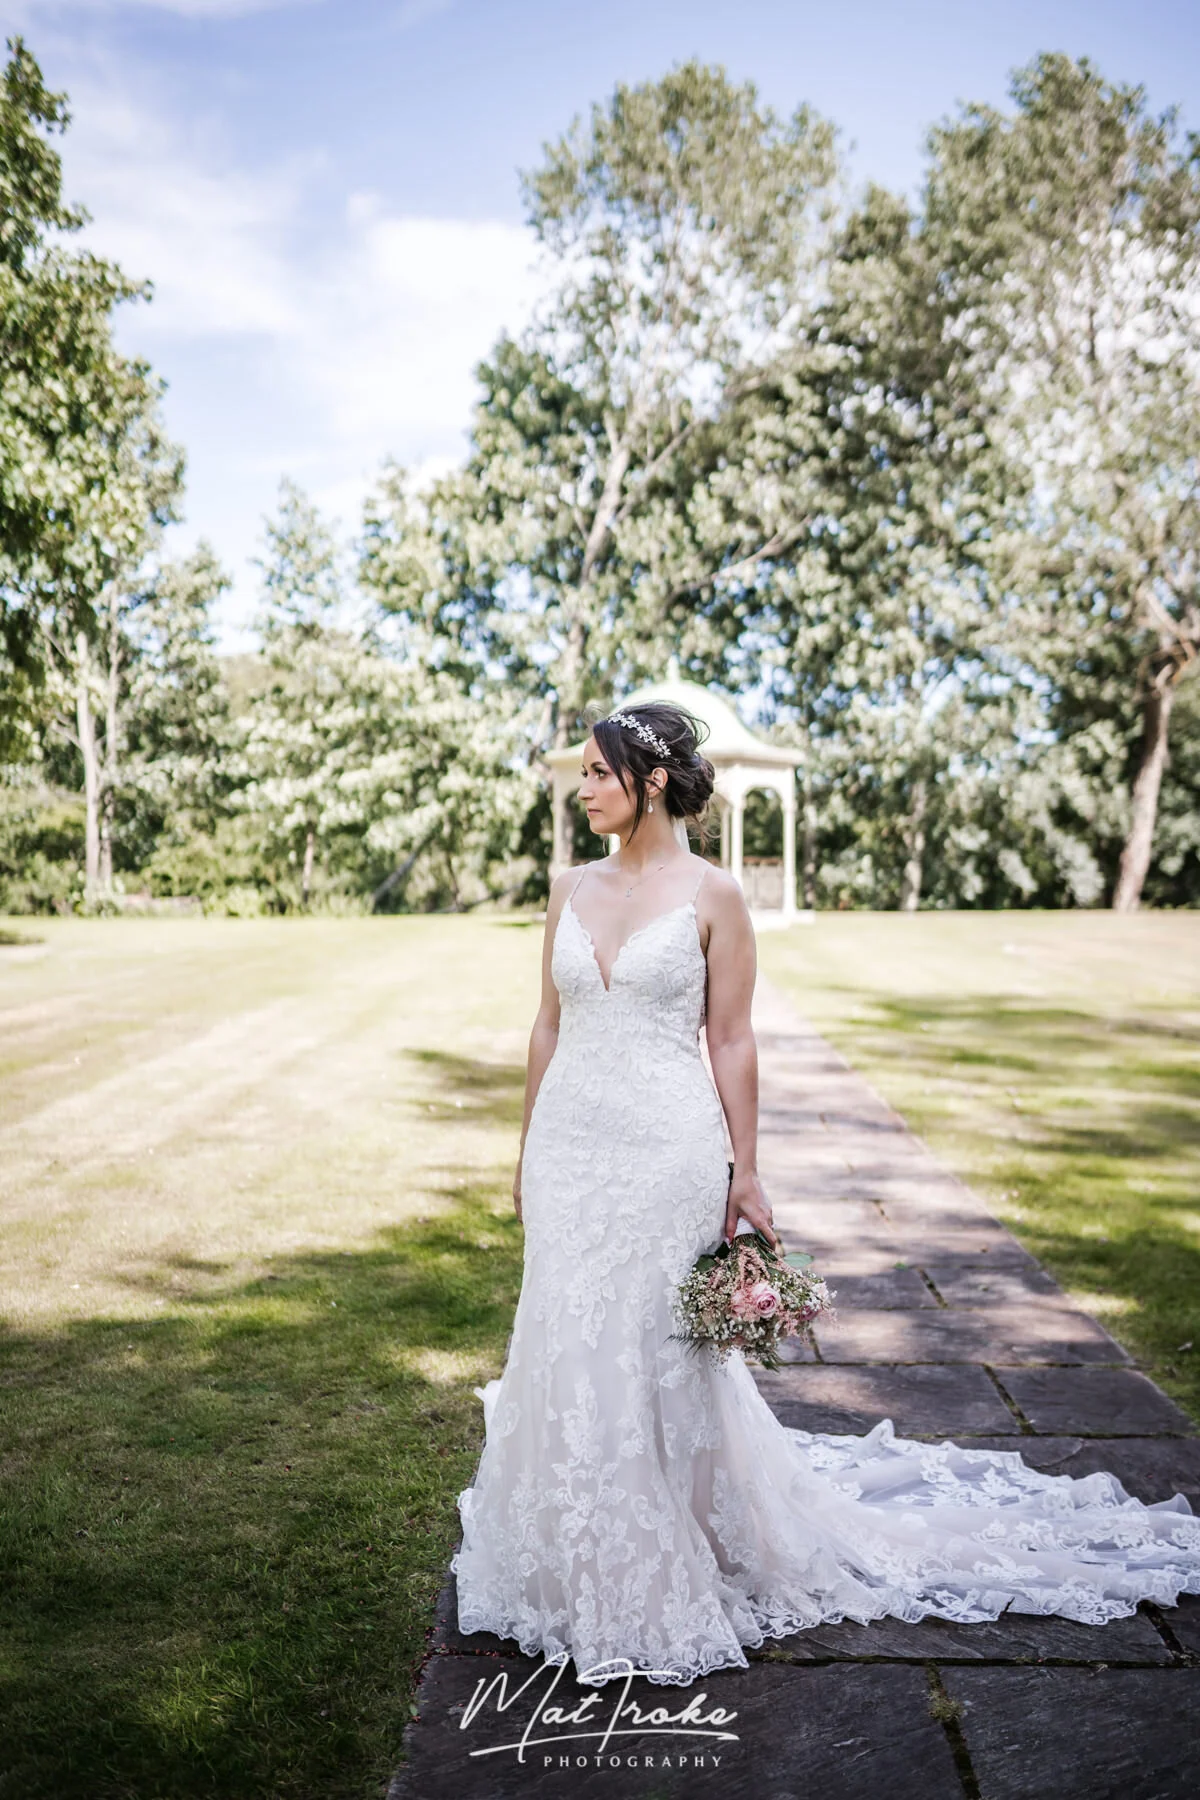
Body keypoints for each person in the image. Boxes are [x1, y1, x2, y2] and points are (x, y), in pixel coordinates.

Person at [449, 700, 1200, 1687]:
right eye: (582, 772)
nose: (582, 788)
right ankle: (567, 1558)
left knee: (655, 1346)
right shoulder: (567, 888)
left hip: (670, 1151)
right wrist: (525, 1149)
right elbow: (547, 1025)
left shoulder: (714, 896)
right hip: (570, 1150)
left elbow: (731, 1039)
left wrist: (747, 1168)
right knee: (566, 1334)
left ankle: (672, 1558)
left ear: (653, 782)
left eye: (599, 772)